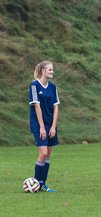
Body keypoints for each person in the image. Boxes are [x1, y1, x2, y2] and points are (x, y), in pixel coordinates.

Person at [29, 61, 59, 192]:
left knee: (48, 155)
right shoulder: (34, 85)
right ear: (42, 71)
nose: (52, 72)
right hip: (39, 124)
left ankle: (43, 183)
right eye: (50, 70)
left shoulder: (53, 87)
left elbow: (56, 107)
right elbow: (37, 106)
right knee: (43, 153)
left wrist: (53, 126)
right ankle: (35, 183)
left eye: (52, 70)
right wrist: (42, 127)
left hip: (50, 124)